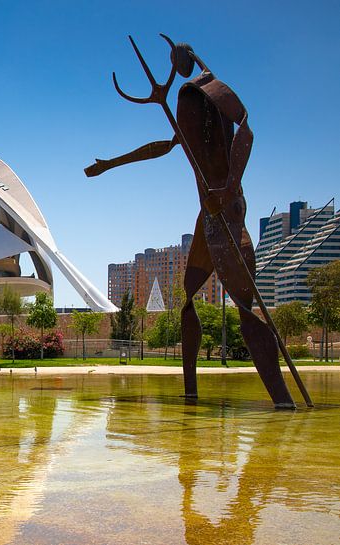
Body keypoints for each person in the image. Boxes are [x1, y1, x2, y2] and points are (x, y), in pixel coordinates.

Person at [86, 43, 295, 407]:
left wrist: (227, 189)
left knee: (245, 305)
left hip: (225, 212)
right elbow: (166, 145)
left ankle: (282, 399)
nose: (174, 68)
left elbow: (246, 128)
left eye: (175, 61)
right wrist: (111, 164)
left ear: (185, 56)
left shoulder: (210, 87)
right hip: (208, 217)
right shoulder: (189, 102)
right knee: (187, 299)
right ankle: (191, 391)